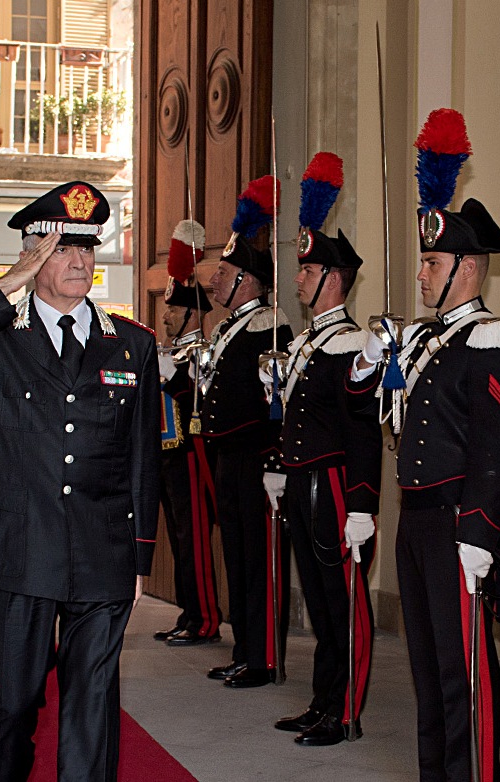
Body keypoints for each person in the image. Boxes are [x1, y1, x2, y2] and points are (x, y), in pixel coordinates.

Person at [0, 181, 159, 781]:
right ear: (31, 256)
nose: (78, 261)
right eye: (60, 249)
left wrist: (140, 557)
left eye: (87, 248)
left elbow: (143, 456)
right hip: (17, 550)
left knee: (91, 703)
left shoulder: (131, 346)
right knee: (17, 700)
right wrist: (4, 288)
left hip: (100, 551)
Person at [350, 108, 500, 782]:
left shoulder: (490, 339)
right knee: (428, 670)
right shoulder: (421, 340)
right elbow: (366, 410)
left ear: (467, 268)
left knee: (464, 672)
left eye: (431, 262)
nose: (420, 274)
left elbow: (494, 446)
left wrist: (480, 529)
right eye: (421, 260)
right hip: (415, 516)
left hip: (457, 519)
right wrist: (367, 364)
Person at [265, 152, 381, 746]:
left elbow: (362, 427)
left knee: (343, 603)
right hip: (304, 481)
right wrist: (281, 469)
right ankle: (321, 700)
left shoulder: (349, 342)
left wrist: (362, 503)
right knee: (317, 598)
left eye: (308, 273)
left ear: (333, 279)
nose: (300, 281)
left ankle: (346, 710)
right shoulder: (311, 342)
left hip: (335, 485)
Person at [195, 175, 294, 688]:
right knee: (235, 552)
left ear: (248, 282)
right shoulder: (232, 325)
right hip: (227, 456)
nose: (213, 280)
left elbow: (278, 402)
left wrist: (275, 457)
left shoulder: (271, 327)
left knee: (257, 560)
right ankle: (244, 646)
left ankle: (263, 656)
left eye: (224, 272)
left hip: (256, 459)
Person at [154, 219, 223, 646]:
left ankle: (206, 619)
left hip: (194, 458)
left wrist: (175, 376)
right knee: (180, 540)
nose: (166, 316)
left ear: (193, 314)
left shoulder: (203, 351)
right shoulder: (173, 350)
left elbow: (201, 398)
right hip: (168, 455)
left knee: (194, 539)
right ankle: (188, 611)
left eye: (175, 310)